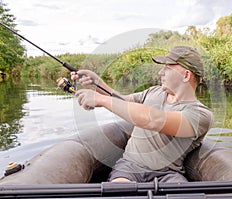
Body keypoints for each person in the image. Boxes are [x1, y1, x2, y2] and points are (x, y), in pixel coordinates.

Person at [71, 46, 214, 183]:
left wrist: (101, 100)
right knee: (119, 189)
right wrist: (97, 83)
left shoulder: (201, 115)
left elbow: (155, 121)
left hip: (169, 174)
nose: (161, 72)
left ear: (186, 75)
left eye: (167, 68)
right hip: (129, 167)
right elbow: (122, 101)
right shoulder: (153, 92)